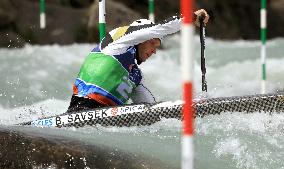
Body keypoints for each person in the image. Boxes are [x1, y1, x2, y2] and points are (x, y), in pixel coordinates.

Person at [67, 9, 209, 113]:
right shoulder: (118, 43)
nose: (154, 51)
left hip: (105, 120)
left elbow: (152, 110)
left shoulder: (136, 76)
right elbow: (161, 28)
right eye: (153, 43)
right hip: (79, 109)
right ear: (140, 38)